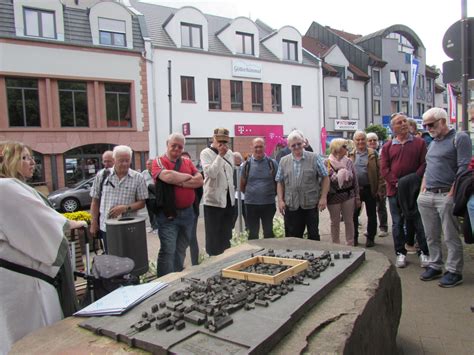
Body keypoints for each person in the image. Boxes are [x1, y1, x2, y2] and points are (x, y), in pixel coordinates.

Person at [0, 141, 87, 354]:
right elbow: (41, 222)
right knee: (37, 336)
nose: (31, 162)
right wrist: (72, 224)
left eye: (31, 158)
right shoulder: (7, 187)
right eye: (24, 158)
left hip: (11, 278)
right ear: (8, 160)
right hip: (27, 280)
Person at [418, 108, 472, 287]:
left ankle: (454, 271)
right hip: (428, 195)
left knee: (450, 235)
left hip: (446, 194)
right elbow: (429, 165)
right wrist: (423, 189)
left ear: (442, 121)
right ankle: (435, 264)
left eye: (431, 124)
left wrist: (452, 193)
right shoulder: (433, 142)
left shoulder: (460, 138)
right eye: (425, 125)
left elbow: (463, 168)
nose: (428, 128)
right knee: (431, 235)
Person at [380, 113, 430, 268]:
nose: (403, 124)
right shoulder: (388, 146)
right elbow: (384, 168)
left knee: (418, 221)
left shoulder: (419, 143)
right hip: (394, 191)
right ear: (392, 128)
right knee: (397, 222)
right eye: (399, 122)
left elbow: (424, 163)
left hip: (414, 191)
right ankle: (400, 253)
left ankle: (424, 252)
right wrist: (397, 183)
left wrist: (414, 180)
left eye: (405, 121)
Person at [152, 134, 203, 276]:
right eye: (173, 145)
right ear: (167, 144)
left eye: (180, 146)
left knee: (181, 248)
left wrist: (178, 181)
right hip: (169, 215)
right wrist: (188, 178)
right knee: (168, 250)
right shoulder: (158, 161)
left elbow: (200, 181)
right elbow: (167, 176)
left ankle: (177, 276)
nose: (176, 148)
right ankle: (164, 281)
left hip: (188, 213)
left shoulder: (187, 161)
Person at [90, 145, 148, 253]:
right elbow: (95, 201)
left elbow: (142, 203)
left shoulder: (138, 177)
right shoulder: (102, 175)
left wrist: (125, 208)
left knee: (130, 257)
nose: (125, 164)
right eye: (121, 161)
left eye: (127, 160)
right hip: (107, 227)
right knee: (111, 257)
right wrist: (94, 223)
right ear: (114, 160)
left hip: (129, 227)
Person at [276, 130, 329, 240]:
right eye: (293, 145)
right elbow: (279, 181)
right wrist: (280, 200)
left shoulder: (314, 157)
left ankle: (315, 257)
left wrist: (323, 197)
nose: (296, 147)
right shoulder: (283, 161)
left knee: (313, 236)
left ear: (303, 143)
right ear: (289, 147)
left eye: (299, 144)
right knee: (292, 238)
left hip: (310, 204)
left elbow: (325, 177)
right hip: (291, 205)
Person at [200, 128, 235, 256]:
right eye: (219, 140)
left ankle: (226, 261)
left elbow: (230, 175)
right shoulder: (206, 153)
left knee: (226, 235)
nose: (223, 144)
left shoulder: (230, 153)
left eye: (225, 141)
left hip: (228, 200)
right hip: (213, 202)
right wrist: (220, 155)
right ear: (213, 139)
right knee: (213, 237)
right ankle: (213, 262)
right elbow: (210, 173)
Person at [349, 131, 385, 247]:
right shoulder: (350, 154)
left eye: (362, 139)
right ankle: (354, 237)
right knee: (353, 215)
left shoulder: (373, 154)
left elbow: (381, 172)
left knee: (372, 214)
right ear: (354, 141)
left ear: (366, 140)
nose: (360, 142)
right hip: (356, 190)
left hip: (370, 188)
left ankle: (370, 237)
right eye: (358, 140)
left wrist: (380, 188)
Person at [240, 138, 278, 240]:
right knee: (252, 233)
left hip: (268, 204)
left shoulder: (272, 163)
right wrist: (253, 194)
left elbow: (277, 183)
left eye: (260, 146)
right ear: (252, 147)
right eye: (256, 147)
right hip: (251, 204)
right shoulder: (246, 165)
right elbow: (242, 185)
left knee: (269, 232)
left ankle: (268, 254)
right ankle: (253, 254)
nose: (258, 149)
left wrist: (269, 194)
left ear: (264, 147)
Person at [325, 138, 358, 246]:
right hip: (333, 197)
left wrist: (357, 196)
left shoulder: (348, 161)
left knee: (349, 221)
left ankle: (350, 243)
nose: (346, 148)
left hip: (348, 196)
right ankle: (335, 244)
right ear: (337, 148)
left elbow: (354, 180)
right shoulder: (327, 162)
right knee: (335, 222)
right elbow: (328, 180)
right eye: (344, 146)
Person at [181, 151, 203, 266]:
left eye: (188, 160)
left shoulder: (196, 176)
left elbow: (199, 193)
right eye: (183, 160)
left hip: (192, 212)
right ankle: (180, 266)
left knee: (192, 238)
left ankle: (195, 263)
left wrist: (195, 207)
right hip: (177, 214)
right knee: (180, 241)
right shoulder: (175, 176)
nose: (186, 162)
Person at [366, 132, 388, 237]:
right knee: (370, 209)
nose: (372, 142)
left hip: (381, 183)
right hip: (369, 185)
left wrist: (382, 185)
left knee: (381, 206)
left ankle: (383, 227)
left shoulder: (382, 152)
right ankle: (371, 229)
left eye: (374, 140)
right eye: (370, 140)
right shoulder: (365, 153)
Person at [232, 152, 248, 231]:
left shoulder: (244, 167)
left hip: (245, 197)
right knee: (233, 218)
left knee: (247, 219)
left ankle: (247, 234)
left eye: (233, 159)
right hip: (236, 197)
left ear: (237, 159)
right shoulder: (234, 169)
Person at [142, 158, 158, 233]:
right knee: (150, 212)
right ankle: (152, 226)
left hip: (155, 195)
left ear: (153, 164)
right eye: (146, 164)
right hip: (147, 195)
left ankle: (156, 227)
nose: (147, 165)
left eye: (149, 164)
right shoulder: (144, 173)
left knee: (155, 212)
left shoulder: (156, 171)